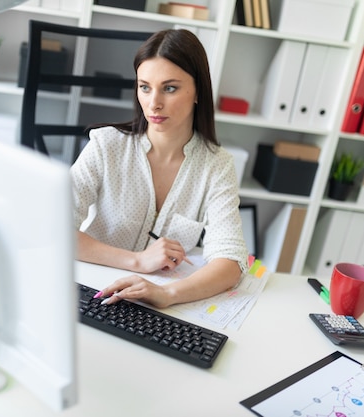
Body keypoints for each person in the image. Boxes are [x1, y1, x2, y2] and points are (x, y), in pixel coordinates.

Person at [70, 29, 248, 309]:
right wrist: (138, 261)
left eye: (170, 88)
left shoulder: (216, 166)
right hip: (92, 291)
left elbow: (231, 262)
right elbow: (54, 228)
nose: (154, 103)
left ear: (198, 91)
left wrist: (168, 294)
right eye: (145, 87)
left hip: (154, 303)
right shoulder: (106, 146)